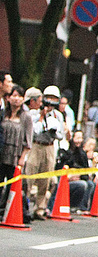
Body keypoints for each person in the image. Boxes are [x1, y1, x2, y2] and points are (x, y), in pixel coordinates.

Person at [24, 86, 66, 219]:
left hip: (50, 146)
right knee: (29, 175)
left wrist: (54, 129)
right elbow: (34, 131)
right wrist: (42, 117)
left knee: (45, 179)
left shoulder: (57, 115)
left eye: (54, 99)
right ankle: (24, 206)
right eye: (48, 98)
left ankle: (40, 209)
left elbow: (61, 135)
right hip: (36, 145)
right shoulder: (35, 113)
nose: (51, 102)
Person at [1, 85, 32, 213]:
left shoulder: (26, 117)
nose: (16, 99)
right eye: (14, 95)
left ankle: (6, 209)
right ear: (8, 98)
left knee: (11, 184)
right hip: (2, 153)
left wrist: (23, 157)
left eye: (19, 96)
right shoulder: (3, 114)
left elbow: (28, 140)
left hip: (16, 155)